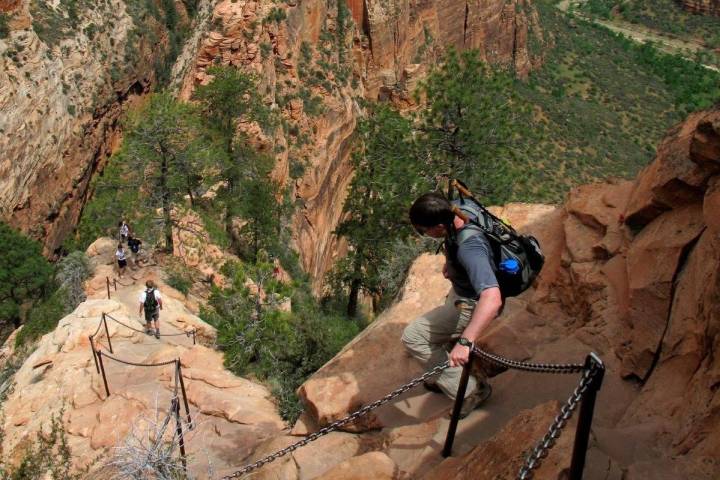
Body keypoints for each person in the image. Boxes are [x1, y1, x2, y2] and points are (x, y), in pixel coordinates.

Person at [402, 192, 503, 418]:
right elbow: (452, 240)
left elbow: (492, 297)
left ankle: (470, 390)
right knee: (441, 329)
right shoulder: (455, 210)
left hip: (469, 303)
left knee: (413, 337)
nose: (423, 234)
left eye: (423, 230)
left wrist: (466, 342)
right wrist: (452, 263)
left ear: (439, 226)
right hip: (461, 291)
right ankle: (445, 372)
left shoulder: (470, 248)